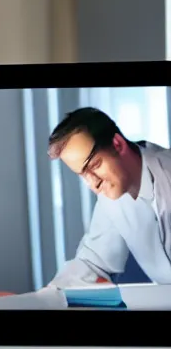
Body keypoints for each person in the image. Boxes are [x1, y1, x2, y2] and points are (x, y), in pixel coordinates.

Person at [45, 106, 171, 289]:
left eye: (94, 165)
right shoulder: (112, 194)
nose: (93, 184)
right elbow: (92, 264)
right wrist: (36, 301)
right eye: (82, 174)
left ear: (118, 144)